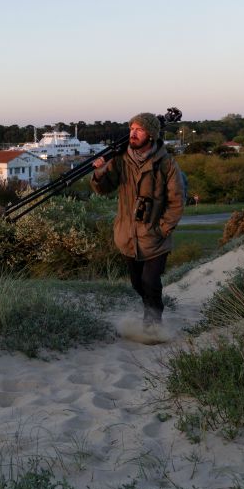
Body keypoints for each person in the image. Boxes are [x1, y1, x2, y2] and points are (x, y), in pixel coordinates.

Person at [90, 113, 185, 329]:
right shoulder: (121, 159)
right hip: (128, 237)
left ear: (150, 135)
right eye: (131, 128)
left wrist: (162, 229)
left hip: (155, 238)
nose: (133, 133)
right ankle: (150, 308)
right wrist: (99, 173)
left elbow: (176, 202)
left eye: (139, 129)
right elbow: (103, 189)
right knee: (137, 283)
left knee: (150, 281)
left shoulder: (166, 164)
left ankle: (153, 324)